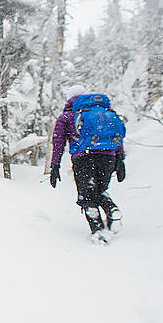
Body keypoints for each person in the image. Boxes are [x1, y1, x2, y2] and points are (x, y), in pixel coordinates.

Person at [49, 85, 126, 243]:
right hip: (108, 157)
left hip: (84, 158)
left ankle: (97, 230)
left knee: (86, 195)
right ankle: (111, 209)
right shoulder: (103, 113)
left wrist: (55, 165)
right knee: (100, 190)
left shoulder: (67, 117)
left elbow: (58, 142)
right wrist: (120, 159)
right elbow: (116, 135)